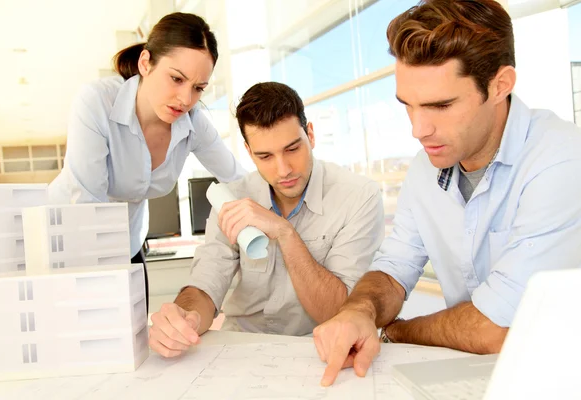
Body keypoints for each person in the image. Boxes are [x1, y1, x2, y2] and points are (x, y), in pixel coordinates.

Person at [313, 0, 581, 387]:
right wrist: (360, 310)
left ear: (500, 85)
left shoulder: (561, 160)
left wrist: (395, 331)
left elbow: (494, 329)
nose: (418, 130)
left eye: (440, 105)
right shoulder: (428, 166)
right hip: (479, 378)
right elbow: (394, 268)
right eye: (408, 105)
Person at [148, 82, 385, 357]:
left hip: (316, 347)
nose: (283, 170)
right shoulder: (233, 199)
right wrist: (184, 317)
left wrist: (285, 233)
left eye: (293, 149)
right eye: (265, 156)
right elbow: (205, 286)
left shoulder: (358, 197)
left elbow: (339, 310)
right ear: (249, 152)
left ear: (310, 135)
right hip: (240, 349)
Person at [48, 12, 246, 308]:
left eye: (198, 88)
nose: (185, 98)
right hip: (70, 242)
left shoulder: (192, 122)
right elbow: (87, 204)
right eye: (176, 78)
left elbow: (237, 178)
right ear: (145, 63)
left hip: (128, 243)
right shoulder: (97, 102)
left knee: (134, 341)